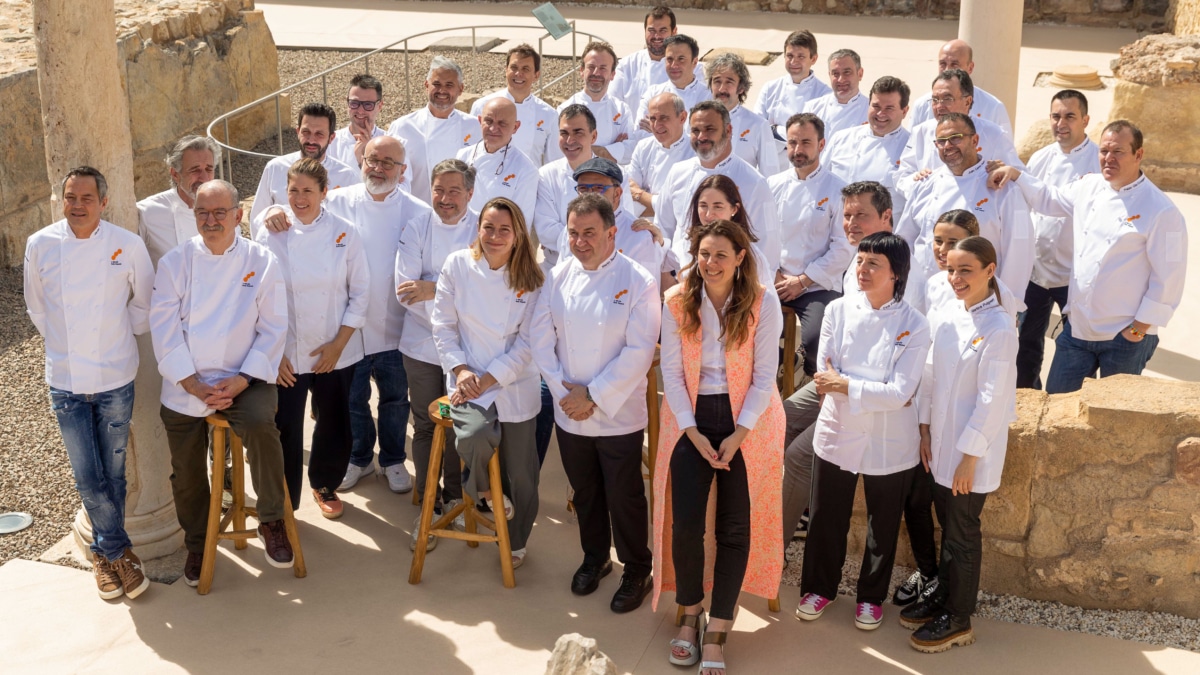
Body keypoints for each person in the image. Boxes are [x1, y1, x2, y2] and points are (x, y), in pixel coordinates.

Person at [651, 219, 785, 675]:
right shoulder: (676, 300)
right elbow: (670, 373)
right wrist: (692, 432)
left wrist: (738, 435)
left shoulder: (763, 304)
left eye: (721, 255)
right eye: (704, 254)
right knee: (686, 526)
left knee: (734, 529)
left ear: (740, 258)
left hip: (747, 421)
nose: (710, 264)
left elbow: (766, 376)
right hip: (690, 419)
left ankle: (719, 627)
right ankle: (690, 613)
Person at [151, 179, 294, 587]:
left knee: (263, 430)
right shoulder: (175, 262)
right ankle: (198, 542)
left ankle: (270, 520)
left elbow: (273, 328)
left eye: (219, 213)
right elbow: (163, 329)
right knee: (186, 468)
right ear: (193, 215)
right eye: (202, 213)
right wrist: (192, 383)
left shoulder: (261, 260)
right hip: (185, 381)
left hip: (245, 376)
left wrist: (244, 377)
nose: (211, 221)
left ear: (238, 214)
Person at [24, 166, 154, 600]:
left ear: (103, 202)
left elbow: (144, 303)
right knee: (86, 476)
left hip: (116, 374)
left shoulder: (127, 244)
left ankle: (103, 555)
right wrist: (65, 346)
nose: (77, 206)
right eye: (69, 197)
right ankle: (116, 552)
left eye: (86, 198)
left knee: (113, 473)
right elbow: (37, 310)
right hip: (65, 378)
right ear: (61, 200)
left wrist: (115, 336)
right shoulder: (39, 245)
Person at [989, 120, 1188, 394]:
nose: (1108, 158)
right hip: (1078, 331)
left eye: (1118, 151)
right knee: (1057, 401)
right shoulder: (1089, 187)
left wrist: (1138, 331)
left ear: (1138, 154)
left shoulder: (1163, 211)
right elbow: (1048, 198)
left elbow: (1169, 279)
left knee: (1114, 417)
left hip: (1124, 337)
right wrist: (1016, 174)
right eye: (1104, 150)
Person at [531, 194, 660, 613]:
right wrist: (564, 393)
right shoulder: (558, 275)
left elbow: (639, 351)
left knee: (624, 496)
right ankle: (595, 556)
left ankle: (638, 568)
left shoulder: (639, 279)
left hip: (618, 413)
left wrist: (594, 395)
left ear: (611, 232)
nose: (580, 241)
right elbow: (540, 337)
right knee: (585, 492)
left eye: (589, 233)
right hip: (571, 411)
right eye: (573, 233)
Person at [794, 232, 930, 631]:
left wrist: (849, 385)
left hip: (891, 440)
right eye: (860, 261)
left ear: (897, 274)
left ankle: (871, 598)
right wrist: (875, 389)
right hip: (838, 430)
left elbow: (903, 391)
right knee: (825, 517)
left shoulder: (915, 325)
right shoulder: (837, 310)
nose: (863, 270)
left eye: (874, 264)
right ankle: (820, 588)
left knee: (882, 522)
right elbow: (824, 376)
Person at [903, 236, 1018, 653]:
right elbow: (931, 375)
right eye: (950, 269)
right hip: (939, 447)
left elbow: (992, 401)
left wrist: (969, 459)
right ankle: (945, 596)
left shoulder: (1000, 329)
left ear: (990, 270)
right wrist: (926, 429)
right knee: (945, 526)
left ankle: (959, 617)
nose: (955, 278)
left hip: (972, 454)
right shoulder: (950, 313)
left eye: (965, 270)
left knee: (962, 532)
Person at [431, 197, 544, 569]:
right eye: (488, 227)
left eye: (504, 230)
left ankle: (516, 538)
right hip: (468, 377)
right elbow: (444, 326)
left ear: (518, 236)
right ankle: (481, 493)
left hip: (513, 381)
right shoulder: (458, 265)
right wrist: (462, 371)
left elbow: (529, 342)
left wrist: (492, 377)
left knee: (522, 473)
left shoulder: (534, 278)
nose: (495, 236)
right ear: (477, 229)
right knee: (474, 436)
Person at [780, 181, 895, 545]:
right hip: (833, 380)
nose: (852, 222)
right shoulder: (854, 262)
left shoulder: (898, 266)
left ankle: (771, 549)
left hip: (868, 390)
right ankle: (793, 514)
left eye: (862, 214)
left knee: (799, 457)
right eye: (847, 215)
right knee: (779, 420)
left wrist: (839, 387)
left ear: (886, 217)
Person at [254, 158, 369, 519]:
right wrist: (273, 353)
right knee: (285, 424)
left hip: (333, 347)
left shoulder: (344, 231)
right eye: (293, 191)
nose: (299, 198)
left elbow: (361, 293)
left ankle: (324, 484)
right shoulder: (269, 233)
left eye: (307, 190)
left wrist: (338, 345)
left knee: (334, 419)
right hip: (285, 350)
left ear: (324, 191)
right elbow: (257, 297)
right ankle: (284, 499)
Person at [322, 136, 430, 493]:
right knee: (353, 399)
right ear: (361, 161)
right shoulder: (335, 203)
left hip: (397, 326)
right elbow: (294, 219)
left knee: (395, 399)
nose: (378, 168)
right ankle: (360, 457)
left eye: (388, 163)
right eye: (372, 160)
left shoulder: (419, 212)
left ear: (402, 171)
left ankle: (393, 459)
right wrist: (272, 215)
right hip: (349, 327)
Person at [395, 158, 480, 550]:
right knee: (427, 424)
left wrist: (434, 288)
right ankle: (430, 506)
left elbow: (489, 289)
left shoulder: (485, 227)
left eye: (454, 191)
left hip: (471, 348)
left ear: (470, 193)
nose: (445, 199)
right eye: (438, 190)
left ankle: (456, 495)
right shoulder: (417, 227)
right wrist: (446, 294)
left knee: (460, 423)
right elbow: (406, 291)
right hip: (421, 345)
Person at [896, 113, 1033, 310]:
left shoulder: (1004, 188)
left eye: (955, 138)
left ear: (975, 140)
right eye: (941, 141)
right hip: (922, 297)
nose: (948, 146)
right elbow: (905, 240)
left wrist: (1010, 304)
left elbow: (1020, 248)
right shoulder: (925, 184)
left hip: (978, 301)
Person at [1016, 90, 1100, 389]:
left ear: (1085, 120)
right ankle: (1026, 397)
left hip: (1075, 277)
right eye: (1055, 116)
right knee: (1026, 344)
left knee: (1079, 346)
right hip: (1036, 273)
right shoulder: (1040, 158)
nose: (1061, 123)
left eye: (1069, 116)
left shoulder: (1099, 161)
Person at [769, 112, 853, 378]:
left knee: (818, 339)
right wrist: (774, 273)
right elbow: (759, 237)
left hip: (817, 285)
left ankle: (808, 400)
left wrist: (803, 281)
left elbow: (844, 247)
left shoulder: (839, 190)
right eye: (793, 143)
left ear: (821, 144)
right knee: (752, 332)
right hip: (776, 280)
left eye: (806, 142)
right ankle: (783, 367)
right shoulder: (772, 185)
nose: (798, 150)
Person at [656, 101, 782, 275]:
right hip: (682, 279)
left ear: (728, 131)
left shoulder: (753, 182)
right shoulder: (678, 172)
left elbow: (767, 247)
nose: (701, 137)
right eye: (695, 131)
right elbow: (663, 229)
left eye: (710, 129)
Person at [535, 105, 634, 268]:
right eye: (564, 133)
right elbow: (546, 231)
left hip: (608, 265)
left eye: (578, 133)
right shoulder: (546, 175)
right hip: (555, 266)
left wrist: (573, 236)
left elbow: (623, 222)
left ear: (593, 136)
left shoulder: (617, 175)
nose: (569, 141)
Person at [897, 70, 1021, 192]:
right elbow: (902, 177)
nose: (939, 106)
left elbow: (1016, 177)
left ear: (967, 102)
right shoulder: (921, 132)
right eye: (935, 100)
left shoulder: (994, 134)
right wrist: (916, 179)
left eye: (947, 99)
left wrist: (1002, 173)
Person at [249, 102, 361, 229]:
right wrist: (270, 213)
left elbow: (357, 224)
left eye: (319, 134)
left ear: (331, 137)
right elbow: (256, 219)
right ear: (298, 132)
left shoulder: (347, 177)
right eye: (306, 132)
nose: (311, 140)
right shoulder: (275, 168)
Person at [388, 56, 477, 204]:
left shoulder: (474, 127)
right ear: (426, 85)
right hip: (416, 216)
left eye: (449, 85)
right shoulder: (402, 127)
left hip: (460, 216)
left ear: (460, 89)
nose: (442, 90)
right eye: (436, 84)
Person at [558, 157, 661, 282]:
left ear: (617, 193)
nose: (590, 195)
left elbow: (648, 290)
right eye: (583, 189)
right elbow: (562, 278)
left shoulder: (639, 236)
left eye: (598, 188)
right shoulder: (570, 231)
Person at [822, 76, 911, 217]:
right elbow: (822, 182)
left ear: (904, 111)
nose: (881, 114)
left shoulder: (912, 148)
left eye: (889, 108)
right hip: (839, 232)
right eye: (876, 106)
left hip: (883, 235)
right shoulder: (841, 138)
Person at [470, 44, 560, 166]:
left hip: (528, 183)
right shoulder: (482, 106)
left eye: (525, 69)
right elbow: (471, 152)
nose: (518, 73)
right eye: (514, 67)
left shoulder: (549, 114)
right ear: (506, 70)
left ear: (536, 75)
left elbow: (553, 162)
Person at [137, 135, 220, 266]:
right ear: (175, 174)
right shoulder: (148, 212)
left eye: (209, 169)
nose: (204, 178)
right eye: (195, 170)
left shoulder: (225, 209)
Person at [679, 175, 773, 290]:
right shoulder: (682, 246)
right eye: (703, 206)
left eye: (718, 207)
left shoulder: (752, 254)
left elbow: (765, 298)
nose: (709, 214)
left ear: (734, 209)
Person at [753, 30, 831, 163]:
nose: (794, 61)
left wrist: (776, 130)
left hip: (804, 163)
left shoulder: (825, 95)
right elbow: (757, 128)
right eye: (789, 55)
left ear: (813, 59)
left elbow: (819, 136)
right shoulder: (770, 88)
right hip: (770, 161)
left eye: (801, 56)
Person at [610, 6, 705, 115]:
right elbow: (613, 105)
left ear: (674, 32)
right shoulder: (626, 66)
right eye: (651, 30)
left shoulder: (694, 68)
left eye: (663, 30)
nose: (656, 36)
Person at [457, 97, 539, 222]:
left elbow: (521, 222)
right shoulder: (462, 156)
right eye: (488, 121)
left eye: (502, 123)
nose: (493, 128)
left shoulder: (526, 169)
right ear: (480, 121)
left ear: (515, 127)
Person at [909, 40, 1013, 139]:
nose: (947, 70)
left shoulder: (993, 107)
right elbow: (910, 149)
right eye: (942, 64)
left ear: (970, 67)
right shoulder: (921, 105)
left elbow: (1004, 152)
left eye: (954, 64)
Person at [557, 41, 637, 165]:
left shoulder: (622, 109)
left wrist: (580, 149)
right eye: (591, 67)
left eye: (603, 68)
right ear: (581, 71)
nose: (596, 73)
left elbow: (631, 151)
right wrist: (612, 150)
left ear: (612, 74)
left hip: (610, 179)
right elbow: (560, 152)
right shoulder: (564, 109)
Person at [706, 51, 781, 177]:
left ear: (741, 88)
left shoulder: (758, 125)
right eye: (717, 81)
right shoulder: (698, 121)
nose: (721, 89)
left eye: (729, 82)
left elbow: (771, 175)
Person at [627, 92, 694, 218]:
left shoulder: (696, 151)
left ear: (682, 118)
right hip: (644, 229)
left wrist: (640, 195)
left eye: (664, 118)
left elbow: (684, 206)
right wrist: (663, 206)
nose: (657, 125)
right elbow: (629, 195)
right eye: (653, 119)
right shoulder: (643, 147)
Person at [635, 35, 709, 130]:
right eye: (669, 59)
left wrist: (658, 130)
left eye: (681, 59)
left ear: (694, 62)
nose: (674, 65)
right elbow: (638, 132)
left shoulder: (708, 96)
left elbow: (705, 138)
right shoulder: (653, 93)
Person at [327, 74, 387, 170]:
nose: (360, 111)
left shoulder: (391, 143)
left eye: (368, 105)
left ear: (379, 106)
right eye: (354, 103)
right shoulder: (331, 143)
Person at [802, 49, 868, 138]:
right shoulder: (813, 108)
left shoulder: (872, 111)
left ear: (860, 74)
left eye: (847, 72)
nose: (841, 79)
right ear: (829, 75)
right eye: (835, 73)